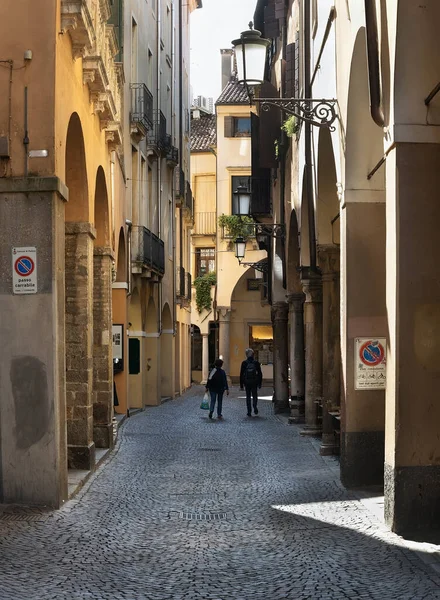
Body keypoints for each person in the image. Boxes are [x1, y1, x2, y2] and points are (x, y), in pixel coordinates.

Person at [240, 348, 263, 417]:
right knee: (255, 395)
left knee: (248, 396)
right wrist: (259, 383)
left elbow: (241, 374)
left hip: (247, 382)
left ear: (246, 355)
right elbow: (260, 373)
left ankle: (249, 411)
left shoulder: (244, 363)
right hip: (254, 381)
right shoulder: (256, 363)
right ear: (253, 355)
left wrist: (241, 385)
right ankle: (255, 406)